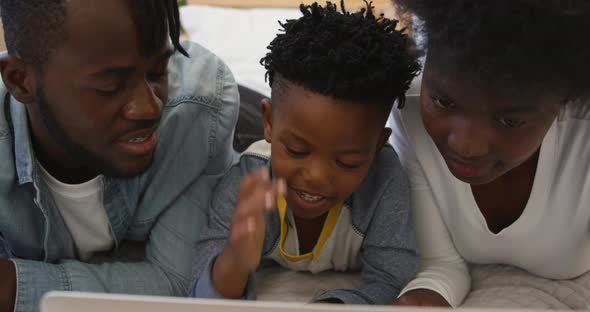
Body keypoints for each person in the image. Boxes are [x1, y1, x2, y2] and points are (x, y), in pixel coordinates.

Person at [0, 0, 239, 311]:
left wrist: (11, 285)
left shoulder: (199, 111)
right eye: (109, 87)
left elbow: (181, 282)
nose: (150, 107)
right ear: (21, 81)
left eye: (157, 72)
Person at [191, 1, 421, 305]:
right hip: (244, 124)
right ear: (270, 123)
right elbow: (200, 293)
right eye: (298, 151)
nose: (316, 176)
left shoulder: (385, 182)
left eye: (346, 161)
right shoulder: (249, 179)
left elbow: (394, 278)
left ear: (378, 146)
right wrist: (234, 259)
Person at [389, 0, 590, 308]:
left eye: (510, 121)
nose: (466, 146)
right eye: (444, 102)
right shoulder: (408, 110)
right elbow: (439, 265)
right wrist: (424, 297)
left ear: (564, 101)